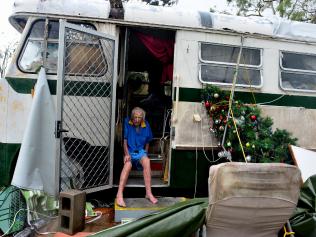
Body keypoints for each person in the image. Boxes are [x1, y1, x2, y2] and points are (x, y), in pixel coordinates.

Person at [116, 107, 158, 207]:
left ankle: (148, 193)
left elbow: (147, 141)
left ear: (142, 118)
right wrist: (126, 154)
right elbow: (125, 141)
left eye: (139, 117)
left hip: (140, 152)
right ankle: (119, 194)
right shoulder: (127, 122)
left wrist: (145, 153)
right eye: (135, 117)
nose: (137, 119)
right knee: (127, 165)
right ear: (132, 117)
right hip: (129, 151)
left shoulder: (146, 124)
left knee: (147, 161)